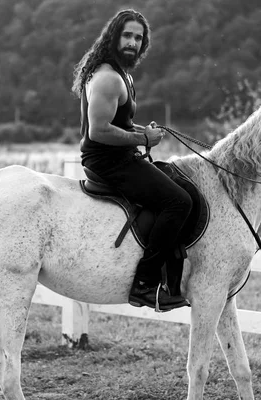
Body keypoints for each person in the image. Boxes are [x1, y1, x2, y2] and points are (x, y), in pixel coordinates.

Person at [72, 9, 192, 311]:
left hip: (120, 156)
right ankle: (145, 283)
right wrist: (143, 140)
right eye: (127, 35)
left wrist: (141, 132)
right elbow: (99, 132)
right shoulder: (108, 77)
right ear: (114, 36)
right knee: (178, 202)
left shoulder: (122, 73)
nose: (133, 42)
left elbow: (118, 124)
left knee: (178, 185)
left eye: (138, 38)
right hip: (108, 162)